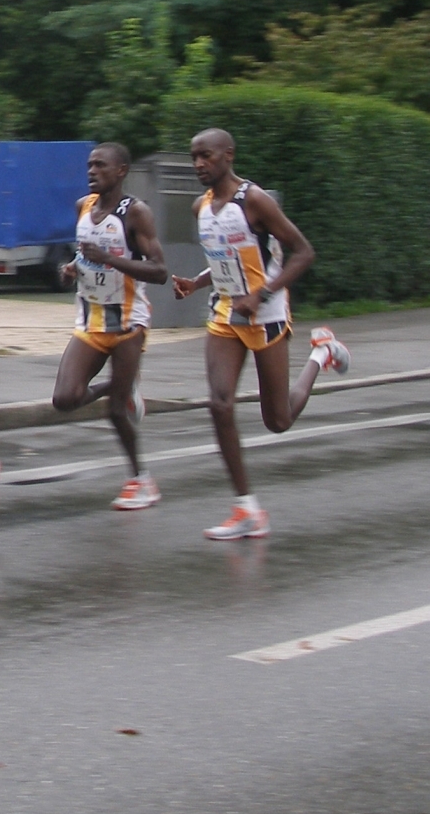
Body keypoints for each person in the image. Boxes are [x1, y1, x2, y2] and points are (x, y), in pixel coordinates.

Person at [172, 128, 350, 540]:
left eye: (207, 156)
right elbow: (226, 259)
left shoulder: (254, 200)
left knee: (279, 420)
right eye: (194, 157)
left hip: (267, 313)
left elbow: (304, 252)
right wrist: (197, 284)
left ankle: (321, 355)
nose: (199, 164)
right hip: (226, 315)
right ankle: (247, 508)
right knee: (219, 404)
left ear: (228, 156)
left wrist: (262, 293)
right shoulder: (201, 205)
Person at [52, 142, 168, 509]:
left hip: (128, 322)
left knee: (117, 412)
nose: (91, 171)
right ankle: (121, 385)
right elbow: (83, 254)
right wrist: (71, 270)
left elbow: (160, 270)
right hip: (90, 318)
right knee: (65, 399)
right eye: (89, 165)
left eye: (100, 165)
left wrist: (110, 260)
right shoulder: (82, 207)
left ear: (121, 171)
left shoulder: (136, 213)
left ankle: (140, 480)